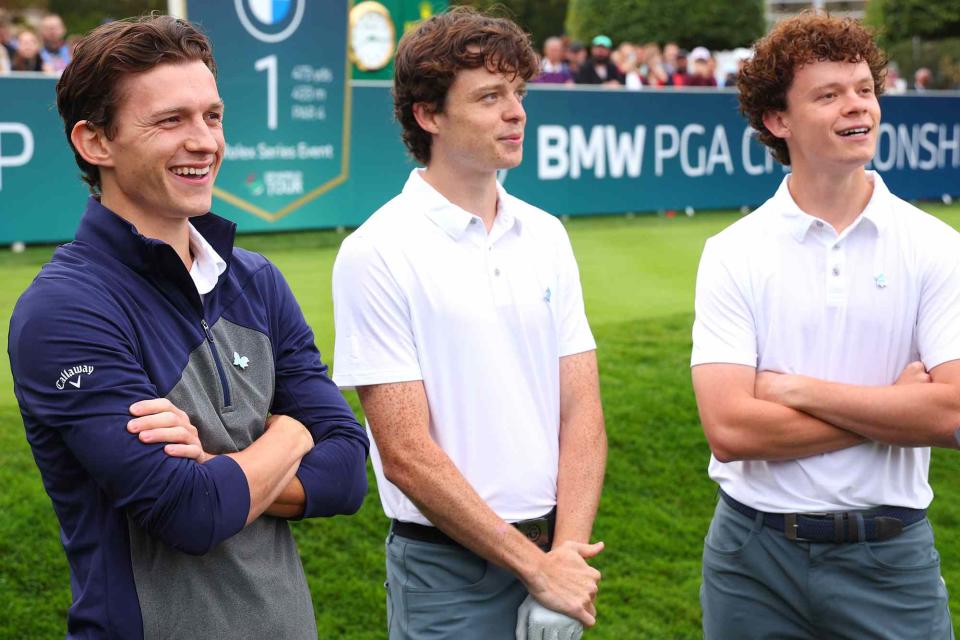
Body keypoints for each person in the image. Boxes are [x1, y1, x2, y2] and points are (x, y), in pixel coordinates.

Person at [8, 15, 369, 638]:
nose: (204, 141)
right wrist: (290, 433)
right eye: (170, 121)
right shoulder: (64, 310)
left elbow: (348, 473)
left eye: (213, 116)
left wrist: (220, 466)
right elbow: (189, 512)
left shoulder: (256, 279)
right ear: (96, 142)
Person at [331, 7, 606, 640]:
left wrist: (563, 557)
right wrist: (537, 569)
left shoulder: (546, 234)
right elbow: (405, 454)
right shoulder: (377, 250)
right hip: (445, 572)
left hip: (556, 551)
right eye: (490, 96)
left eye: (518, 92)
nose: (516, 112)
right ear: (429, 115)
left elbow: (582, 410)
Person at [692, 13, 960, 639]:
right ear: (777, 121)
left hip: (890, 559)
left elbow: (951, 417)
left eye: (865, 89)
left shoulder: (936, 247)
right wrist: (895, 407)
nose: (857, 107)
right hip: (751, 560)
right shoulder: (732, 251)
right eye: (829, 94)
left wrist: (797, 390)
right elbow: (730, 428)